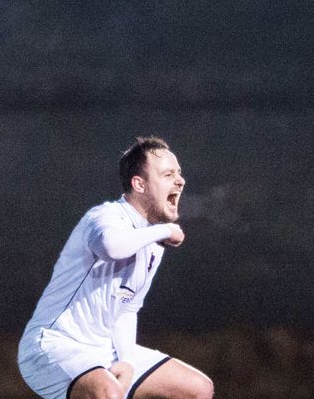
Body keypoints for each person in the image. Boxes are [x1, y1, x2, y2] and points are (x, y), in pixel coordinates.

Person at [18, 137, 214, 399]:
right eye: (168, 174)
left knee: (198, 389)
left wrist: (127, 362)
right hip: (53, 346)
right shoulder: (105, 217)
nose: (180, 181)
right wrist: (165, 230)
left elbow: (127, 308)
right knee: (106, 392)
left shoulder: (152, 241)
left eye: (179, 174)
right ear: (139, 184)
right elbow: (110, 247)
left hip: (103, 350)